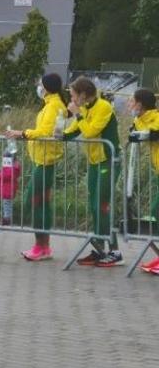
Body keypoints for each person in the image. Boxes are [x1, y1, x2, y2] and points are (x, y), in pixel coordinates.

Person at [5, 73, 66, 262]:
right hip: (41, 159)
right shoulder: (51, 104)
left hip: (46, 160)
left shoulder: (54, 106)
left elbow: (45, 132)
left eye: (40, 84)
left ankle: (41, 246)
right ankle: (43, 246)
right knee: (40, 202)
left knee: (35, 201)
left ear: (46, 87)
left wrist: (21, 133)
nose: (39, 87)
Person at [63, 76, 122, 267]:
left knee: (102, 205)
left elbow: (90, 132)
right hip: (95, 162)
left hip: (108, 160)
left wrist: (78, 114)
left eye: (73, 96)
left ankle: (115, 251)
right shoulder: (86, 108)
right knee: (94, 205)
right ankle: (100, 249)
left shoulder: (103, 107)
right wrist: (59, 136)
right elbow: (73, 131)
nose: (71, 99)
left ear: (82, 95)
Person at [127, 89, 159, 274]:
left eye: (132, 102)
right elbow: (134, 132)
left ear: (140, 104)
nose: (130, 105)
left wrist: (145, 132)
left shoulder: (156, 118)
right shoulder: (141, 119)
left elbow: (152, 133)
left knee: (156, 209)